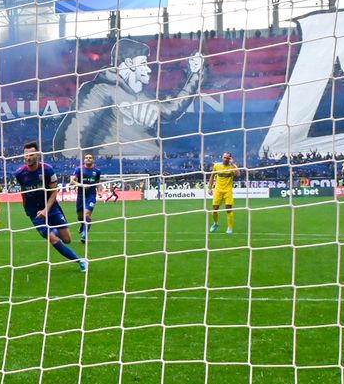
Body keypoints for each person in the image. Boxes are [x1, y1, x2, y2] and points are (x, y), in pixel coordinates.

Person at [53, 38, 204, 159]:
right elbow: (72, 133)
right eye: (144, 63)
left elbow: (171, 111)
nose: (149, 69)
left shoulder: (143, 96)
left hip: (151, 163)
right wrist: (71, 167)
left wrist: (195, 74)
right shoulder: (99, 89)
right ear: (130, 63)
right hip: (114, 165)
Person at [12, 141, 88, 272]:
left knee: (67, 239)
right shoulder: (20, 174)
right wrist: (29, 209)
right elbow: (23, 191)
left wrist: (46, 210)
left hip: (51, 208)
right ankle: (80, 261)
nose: (28, 157)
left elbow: (54, 191)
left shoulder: (47, 170)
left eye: (31, 154)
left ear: (38, 156)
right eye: (26, 155)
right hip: (34, 212)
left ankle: (54, 230)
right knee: (52, 239)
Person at [70, 153, 103, 244]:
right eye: (86, 158)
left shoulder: (97, 171)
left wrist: (99, 191)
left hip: (91, 196)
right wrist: (81, 185)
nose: (88, 159)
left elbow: (97, 182)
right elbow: (72, 181)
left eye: (90, 158)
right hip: (80, 196)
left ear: (93, 160)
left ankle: (84, 235)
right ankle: (82, 224)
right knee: (80, 216)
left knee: (86, 214)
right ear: (84, 160)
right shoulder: (79, 169)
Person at [208, 152, 238, 234]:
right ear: (222, 157)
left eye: (227, 158)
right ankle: (216, 223)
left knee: (228, 208)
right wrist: (210, 188)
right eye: (224, 157)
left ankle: (230, 228)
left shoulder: (232, 167)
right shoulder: (217, 166)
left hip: (228, 190)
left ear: (230, 159)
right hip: (218, 190)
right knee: (214, 209)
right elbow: (212, 177)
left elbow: (238, 174)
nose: (226, 159)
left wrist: (234, 164)